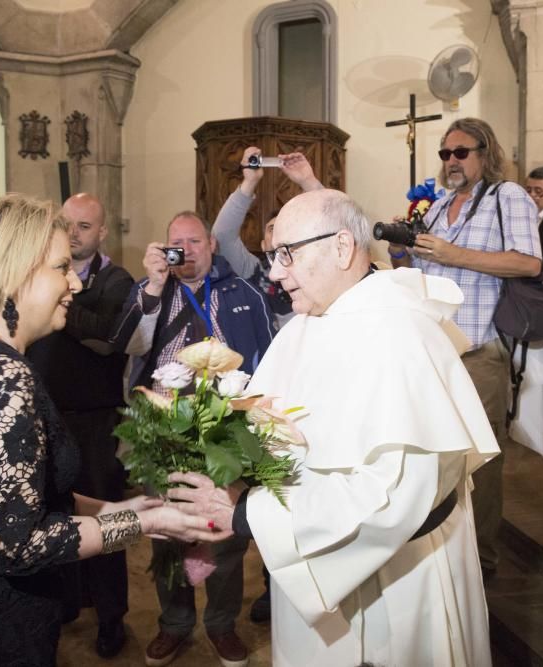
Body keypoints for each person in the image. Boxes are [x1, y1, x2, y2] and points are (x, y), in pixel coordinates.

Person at [0, 194, 223, 666]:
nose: (73, 286)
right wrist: (146, 523)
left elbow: (23, 496)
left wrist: (122, 509)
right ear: (16, 274)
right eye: (61, 268)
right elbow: (19, 544)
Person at [167, 189, 501, 666]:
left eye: (288, 254)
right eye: (273, 255)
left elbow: (395, 499)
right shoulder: (309, 322)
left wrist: (247, 515)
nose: (276, 271)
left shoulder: (398, 332)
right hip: (309, 560)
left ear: (343, 247)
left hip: (394, 582)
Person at [112, 211, 274, 667]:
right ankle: (175, 624)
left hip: (225, 431)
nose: (185, 250)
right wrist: (153, 286)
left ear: (212, 245)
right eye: (176, 242)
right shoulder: (153, 292)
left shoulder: (244, 293)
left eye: (194, 241)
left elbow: (270, 358)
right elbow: (131, 345)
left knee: (224, 535)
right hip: (161, 433)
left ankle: (221, 625)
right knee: (165, 531)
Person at [389, 117, 541, 577]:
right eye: (445, 153)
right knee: (439, 453)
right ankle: (443, 546)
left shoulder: (506, 196)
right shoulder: (438, 208)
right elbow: (416, 266)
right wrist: (401, 247)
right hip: (433, 352)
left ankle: (482, 560)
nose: (451, 161)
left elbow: (529, 262)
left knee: (481, 460)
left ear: (485, 152)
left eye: (461, 152)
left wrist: (454, 255)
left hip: (478, 352)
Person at [211, 146, 323, 622]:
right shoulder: (255, 272)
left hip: (314, 390)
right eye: (275, 230)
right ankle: (269, 582)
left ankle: (292, 581)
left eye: (292, 235)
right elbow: (219, 234)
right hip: (267, 397)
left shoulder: (324, 271)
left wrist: (308, 184)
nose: (281, 244)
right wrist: (250, 184)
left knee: (300, 491)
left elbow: (340, 227)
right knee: (261, 495)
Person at [26, 192, 136, 658]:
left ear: (103, 231)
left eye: (85, 226)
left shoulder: (117, 279)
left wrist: (59, 296)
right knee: (54, 513)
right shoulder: (45, 278)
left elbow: (107, 339)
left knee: (103, 518)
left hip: (95, 422)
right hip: (47, 415)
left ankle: (112, 618)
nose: (74, 234)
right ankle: (69, 602)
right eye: (68, 224)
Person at [212, 147, 323, 325]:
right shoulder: (253, 270)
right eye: (272, 228)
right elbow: (222, 236)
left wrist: (307, 180)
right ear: (263, 245)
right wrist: (249, 182)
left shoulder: (315, 264)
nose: (279, 231)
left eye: (285, 225)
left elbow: (334, 221)